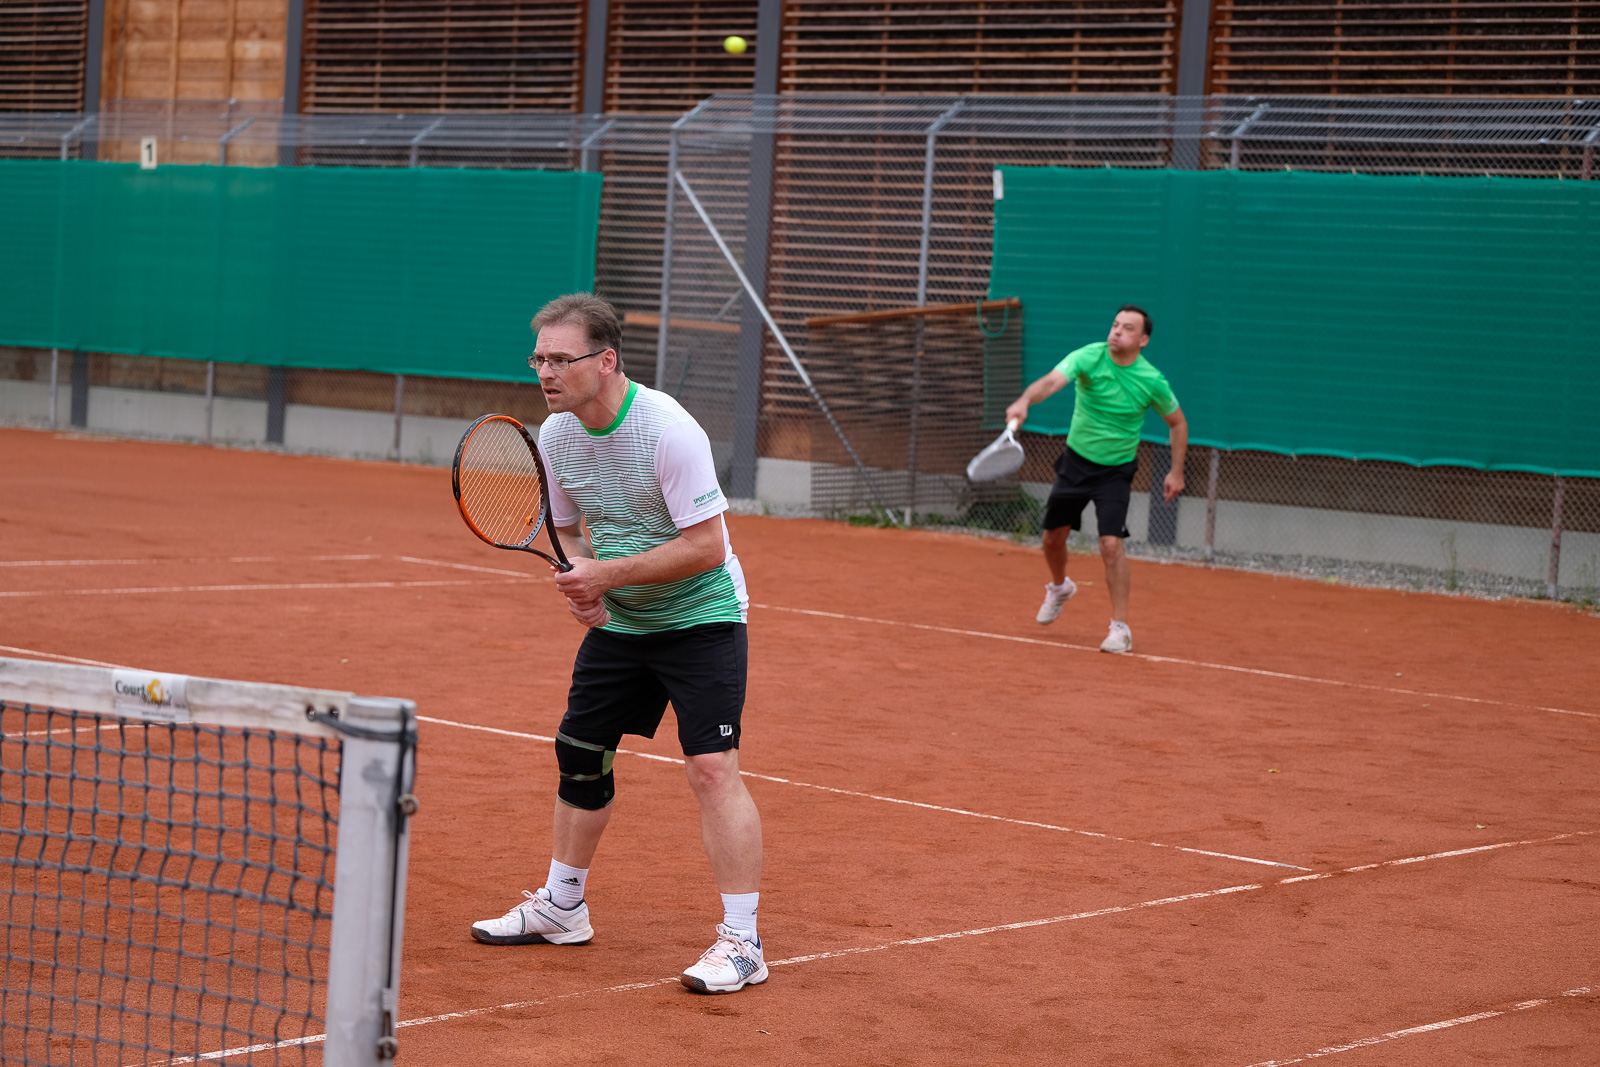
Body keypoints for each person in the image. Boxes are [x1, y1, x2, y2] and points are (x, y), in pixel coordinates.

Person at [469, 293, 766, 995]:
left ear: (605, 361)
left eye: (561, 359)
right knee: (579, 754)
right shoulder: (556, 434)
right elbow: (568, 527)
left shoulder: (669, 431)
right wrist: (585, 578)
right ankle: (562, 907)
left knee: (712, 768)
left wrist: (607, 572)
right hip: (624, 623)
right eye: (539, 357)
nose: (545, 371)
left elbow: (706, 546)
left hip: (702, 617)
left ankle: (744, 942)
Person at [1004, 304, 1187, 654]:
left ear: (1143, 340)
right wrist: (1026, 400)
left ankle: (1120, 629)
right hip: (1075, 464)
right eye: (1115, 325)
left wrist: (1176, 471)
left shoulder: (1151, 380)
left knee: (1110, 545)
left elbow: (1178, 422)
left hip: (1115, 473)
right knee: (1051, 540)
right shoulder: (1089, 357)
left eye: (1128, 328)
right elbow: (1051, 382)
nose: (1117, 331)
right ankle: (1060, 587)